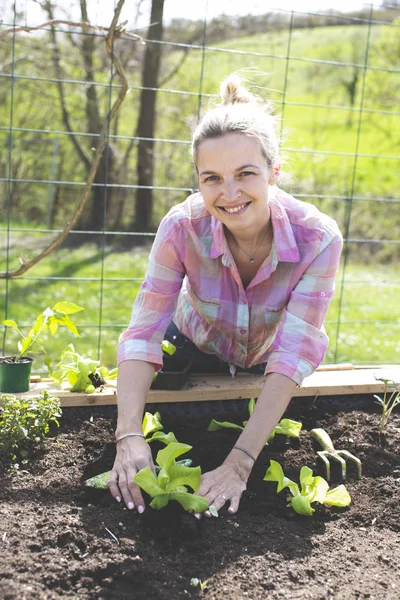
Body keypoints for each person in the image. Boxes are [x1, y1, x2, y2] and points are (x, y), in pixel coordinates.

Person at [108, 74, 343, 518]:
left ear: (274, 173)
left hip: (267, 361)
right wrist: (129, 435)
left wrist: (240, 462)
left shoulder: (318, 238)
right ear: (197, 180)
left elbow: (293, 353)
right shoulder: (181, 227)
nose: (229, 194)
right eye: (212, 178)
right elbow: (143, 331)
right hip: (194, 344)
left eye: (246, 174)